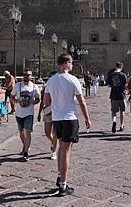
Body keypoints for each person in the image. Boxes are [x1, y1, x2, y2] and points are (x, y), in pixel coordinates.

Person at [43, 54, 91, 197]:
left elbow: (46, 101)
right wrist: (87, 118)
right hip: (70, 118)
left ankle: (59, 176)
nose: (72, 65)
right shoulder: (72, 79)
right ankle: (63, 185)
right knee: (66, 150)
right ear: (66, 64)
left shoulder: (51, 80)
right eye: (70, 63)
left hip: (57, 119)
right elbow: (81, 101)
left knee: (60, 147)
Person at [10, 69, 40, 161]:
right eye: (25, 75)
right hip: (19, 113)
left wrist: (34, 102)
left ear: (31, 76)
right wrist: (16, 101)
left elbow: (38, 99)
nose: (26, 76)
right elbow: (11, 97)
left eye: (28, 75)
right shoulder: (18, 85)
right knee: (21, 132)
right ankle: (25, 146)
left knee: (28, 132)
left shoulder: (34, 87)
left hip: (29, 113)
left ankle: (26, 152)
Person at [38, 73, 58, 160]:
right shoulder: (46, 88)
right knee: (47, 133)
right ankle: (53, 142)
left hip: (58, 112)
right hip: (47, 111)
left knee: (55, 133)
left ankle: (54, 152)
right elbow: (42, 101)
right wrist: (39, 113)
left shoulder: (59, 87)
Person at [107, 62, 127, 133]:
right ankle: (121, 125)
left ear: (116, 67)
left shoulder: (111, 75)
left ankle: (114, 122)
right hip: (122, 95)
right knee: (122, 111)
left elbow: (109, 84)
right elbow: (125, 86)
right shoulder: (123, 75)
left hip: (114, 95)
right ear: (121, 68)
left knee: (114, 111)